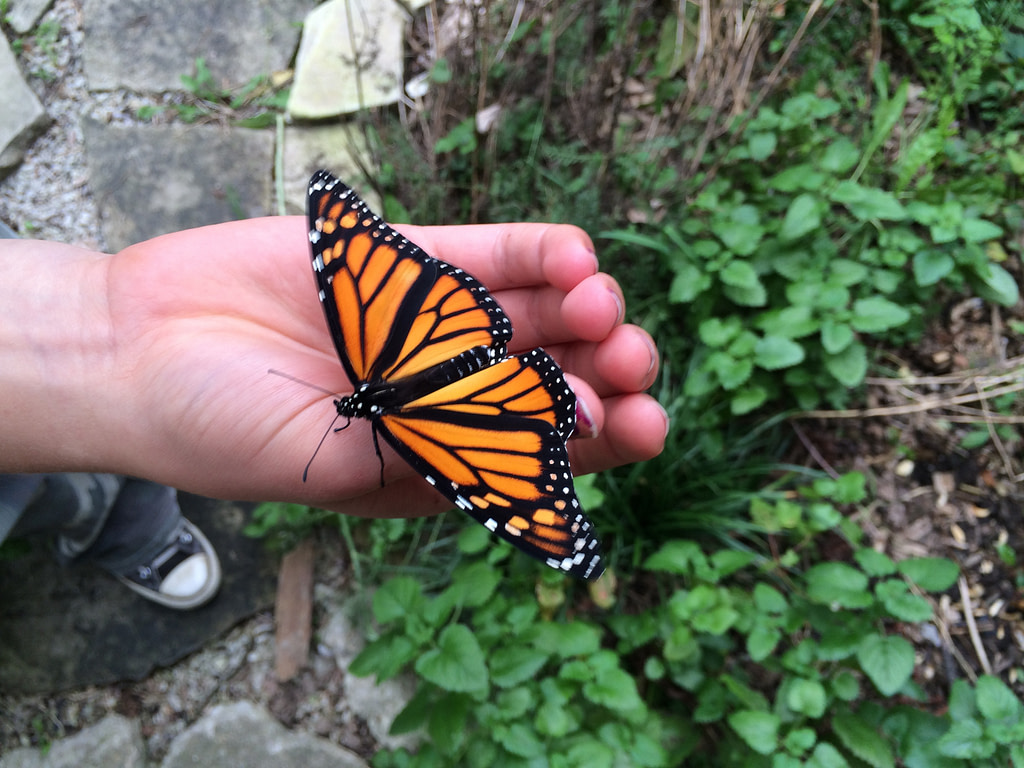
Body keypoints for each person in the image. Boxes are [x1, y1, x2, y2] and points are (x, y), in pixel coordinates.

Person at [0, 215, 667, 606]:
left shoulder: (391, 412)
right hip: (451, 339)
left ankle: (116, 521)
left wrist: (97, 318)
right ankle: (117, 522)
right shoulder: (375, 373)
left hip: (451, 383)